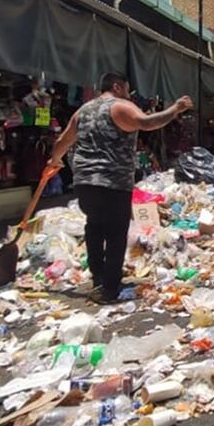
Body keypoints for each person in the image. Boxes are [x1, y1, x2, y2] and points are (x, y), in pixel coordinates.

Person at [48, 72, 193, 303]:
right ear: (117, 87)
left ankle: (99, 279)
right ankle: (109, 289)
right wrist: (174, 109)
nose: (129, 93)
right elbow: (147, 123)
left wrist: (55, 161)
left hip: (84, 182)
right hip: (112, 182)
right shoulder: (119, 107)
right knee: (116, 233)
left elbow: (62, 142)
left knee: (94, 227)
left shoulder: (82, 111)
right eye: (126, 89)